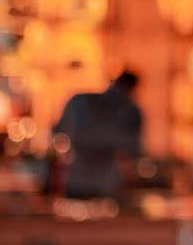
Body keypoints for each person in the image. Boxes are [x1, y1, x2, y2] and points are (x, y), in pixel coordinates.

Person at [54, 72, 143, 200]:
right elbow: (133, 153)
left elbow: (58, 133)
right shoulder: (131, 111)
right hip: (103, 185)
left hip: (81, 181)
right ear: (132, 88)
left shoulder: (78, 101)